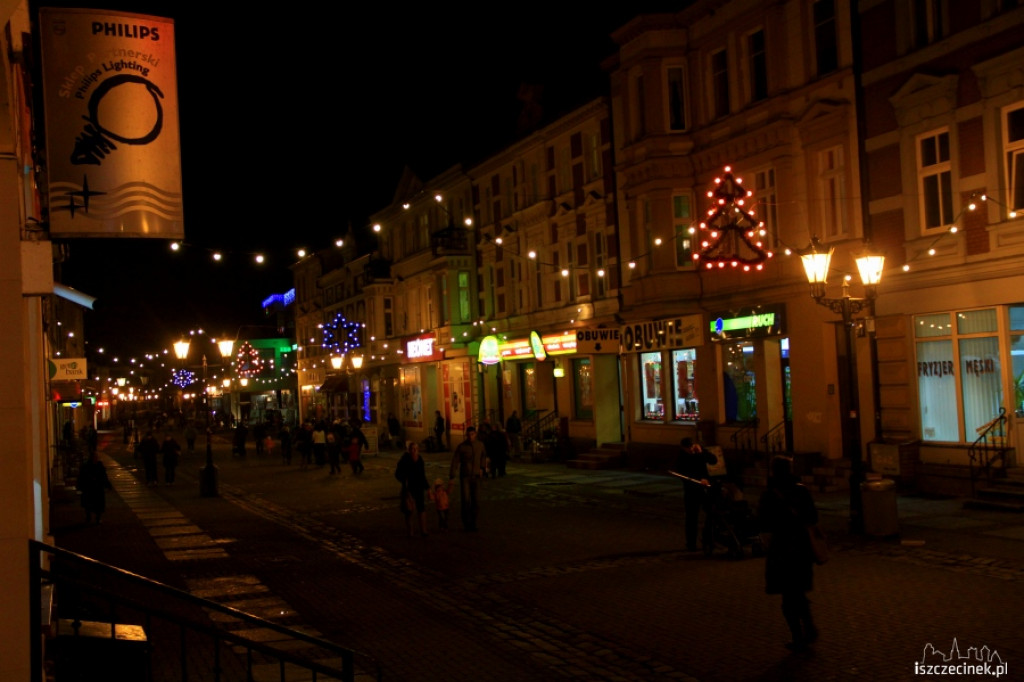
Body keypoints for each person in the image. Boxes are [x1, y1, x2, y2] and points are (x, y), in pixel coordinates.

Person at [758, 455, 820, 652]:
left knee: (788, 597)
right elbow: (812, 516)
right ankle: (809, 627)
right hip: (802, 546)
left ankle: (798, 637)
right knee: (798, 590)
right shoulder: (801, 490)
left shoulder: (770, 494)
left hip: (782, 548)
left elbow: (763, 522)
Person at [673, 437, 716, 552]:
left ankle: (708, 539)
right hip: (692, 490)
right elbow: (684, 473)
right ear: (683, 448)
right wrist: (697, 480)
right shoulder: (682, 457)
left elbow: (713, 460)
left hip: (705, 489)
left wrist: (701, 453)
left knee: (712, 512)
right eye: (688, 449)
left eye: (692, 447)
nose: (691, 450)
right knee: (691, 517)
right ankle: (691, 543)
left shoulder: (700, 451)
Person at [449, 426, 487, 531]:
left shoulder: (480, 445)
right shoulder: (462, 447)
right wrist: (452, 475)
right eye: (469, 435)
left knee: (476, 501)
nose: (471, 437)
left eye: (472, 434)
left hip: (476, 476)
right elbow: (455, 461)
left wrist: (482, 468)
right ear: (466, 435)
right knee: (466, 500)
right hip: (465, 476)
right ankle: (466, 523)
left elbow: (483, 456)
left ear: (475, 434)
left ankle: (473, 522)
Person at [395, 441, 430, 537]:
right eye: (412, 449)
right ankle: (410, 532)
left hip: (419, 487)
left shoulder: (420, 460)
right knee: (409, 510)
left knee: (421, 509)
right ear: (409, 450)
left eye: (416, 449)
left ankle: (424, 530)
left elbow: (422, 475)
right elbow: (397, 474)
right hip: (409, 488)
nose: (414, 451)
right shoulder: (404, 460)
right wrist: (404, 479)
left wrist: (428, 488)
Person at [78, 450, 111, 524]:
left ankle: (97, 518)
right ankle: (90, 517)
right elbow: (82, 477)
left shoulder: (97, 465)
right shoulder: (88, 466)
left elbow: (104, 476)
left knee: (96, 505)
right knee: (90, 504)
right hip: (91, 488)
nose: (95, 458)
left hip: (96, 488)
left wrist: (107, 484)